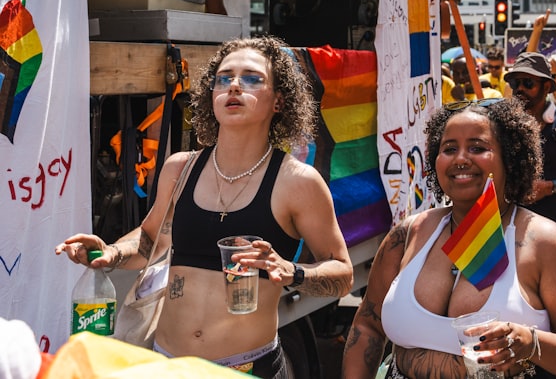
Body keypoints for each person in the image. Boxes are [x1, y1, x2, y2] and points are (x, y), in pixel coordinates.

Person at [57, 36, 353, 377]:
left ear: (278, 101)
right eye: (223, 79)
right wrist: (111, 253)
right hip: (169, 365)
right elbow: (149, 241)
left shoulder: (298, 182)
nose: (234, 86)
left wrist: (291, 271)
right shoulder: (180, 168)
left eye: (252, 78)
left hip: (245, 368)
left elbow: (342, 274)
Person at [342, 98, 556, 379]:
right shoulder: (409, 233)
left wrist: (531, 343)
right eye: (449, 149)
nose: (460, 158)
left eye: (477, 148)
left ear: (510, 158)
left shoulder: (545, 243)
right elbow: (368, 326)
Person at [506, 51, 556, 239]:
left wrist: (550, 187)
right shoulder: (504, 127)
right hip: (514, 228)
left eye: (528, 83)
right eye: (515, 83)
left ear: (545, 87)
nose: (520, 89)